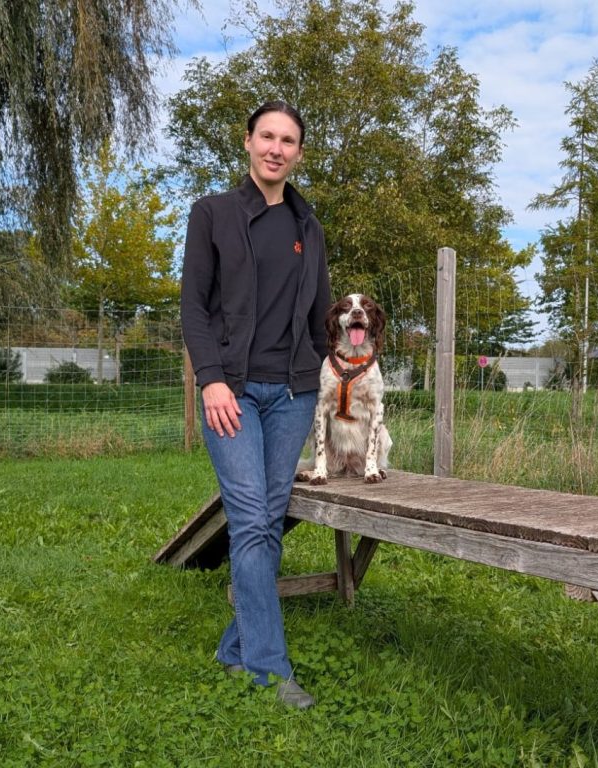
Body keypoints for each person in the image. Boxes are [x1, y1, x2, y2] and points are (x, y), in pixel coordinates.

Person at [181, 100, 331, 710]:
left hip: (293, 394)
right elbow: (193, 307)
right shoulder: (213, 214)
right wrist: (211, 380)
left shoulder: (308, 226)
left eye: (287, 141)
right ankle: (269, 670)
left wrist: (322, 379)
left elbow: (319, 314)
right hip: (233, 393)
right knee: (249, 521)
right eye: (266, 136)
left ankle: (234, 647)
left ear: (298, 153)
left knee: (268, 523)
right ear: (247, 141)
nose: (276, 148)